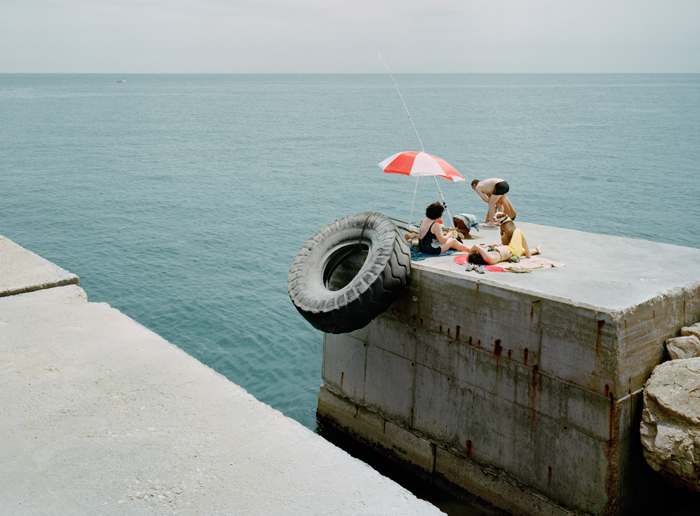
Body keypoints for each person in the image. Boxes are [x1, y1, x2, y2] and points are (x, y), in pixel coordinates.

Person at [467, 220, 540, 265]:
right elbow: (475, 246)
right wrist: (468, 255)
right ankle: (528, 254)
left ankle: (537, 249)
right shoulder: (489, 259)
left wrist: (493, 247)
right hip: (512, 250)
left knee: (522, 250)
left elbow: (485, 249)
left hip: (511, 250)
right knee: (518, 231)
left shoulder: (487, 257)